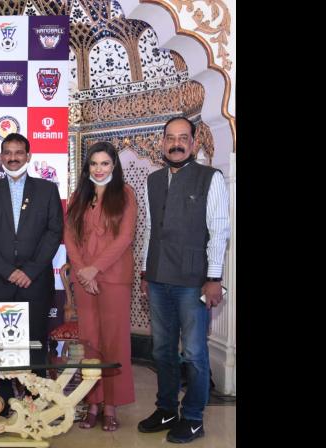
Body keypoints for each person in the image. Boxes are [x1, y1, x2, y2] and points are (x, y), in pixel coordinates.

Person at [136, 117, 230, 443]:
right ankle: (166, 409)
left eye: (183, 138)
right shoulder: (153, 180)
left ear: (193, 142)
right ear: (162, 142)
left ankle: (192, 418)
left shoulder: (210, 178)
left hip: (193, 282)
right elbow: (150, 229)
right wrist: (146, 272)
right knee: (162, 351)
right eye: (170, 138)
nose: (176, 143)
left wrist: (214, 278)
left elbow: (219, 232)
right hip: (159, 279)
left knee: (193, 353)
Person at [0, 133, 64, 411]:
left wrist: (30, 270)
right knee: (1, 345)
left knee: (35, 342)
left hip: (35, 281)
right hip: (0, 280)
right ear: (1, 158)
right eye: (8, 153)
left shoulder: (47, 190)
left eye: (19, 152)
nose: (13, 157)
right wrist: (8, 270)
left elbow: (54, 232)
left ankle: (34, 402)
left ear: (28, 156)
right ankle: (2, 400)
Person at [63, 141, 137, 432]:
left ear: (114, 166)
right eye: (94, 164)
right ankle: (91, 403)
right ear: (87, 167)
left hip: (114, 278)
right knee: (90, 341)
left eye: (105, 163)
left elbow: (125, 237)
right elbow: (69, 237)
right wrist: (83, 271)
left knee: (115, 342)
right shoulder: (77, 196)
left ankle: (110, 406)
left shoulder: (126, 195)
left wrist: (95, 268)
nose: (99, 168)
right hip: (84, 280)